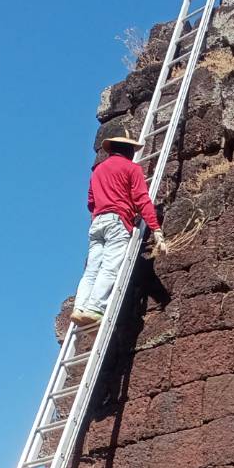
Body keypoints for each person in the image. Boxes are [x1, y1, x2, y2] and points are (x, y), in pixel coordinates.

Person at [71, 134, 164, 325]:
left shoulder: (98, 170)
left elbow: (91, 202)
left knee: (92, 270)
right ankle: (94, 308)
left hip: (97, 223)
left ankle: (79, 307)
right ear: (128, 150)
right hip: (117, 222)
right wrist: (155, 228)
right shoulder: (131, 168)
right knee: (110, 267)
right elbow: (141, 199)